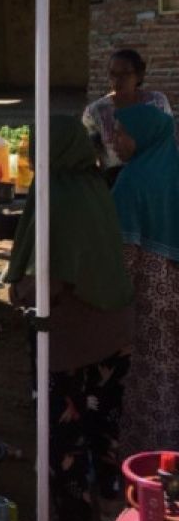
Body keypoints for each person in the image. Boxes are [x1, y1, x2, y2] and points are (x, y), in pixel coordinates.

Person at [0, 114, 134, 521]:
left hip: (69, 334)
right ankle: (112, 500)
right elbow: (44, 233)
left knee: (64, 427)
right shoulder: (92, 185)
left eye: (35, 148)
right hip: (113, 328)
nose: (29, 156)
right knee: (103, 420)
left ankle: (76, 513)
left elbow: (54, 271)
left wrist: (22, 294)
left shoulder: (54, 193)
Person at [108, 103, 179, 460]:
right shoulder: (173, 169)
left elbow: (124, 256)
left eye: (121, 133)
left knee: (152, 377)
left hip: (152, 290)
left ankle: (156, 461)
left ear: (143, 136)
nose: (114, 140)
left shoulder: (133, 179)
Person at [81, 49, 174, 185]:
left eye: (125, 74)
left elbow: (167, 141)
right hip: (115, 181)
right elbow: (90, 152)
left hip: (155, 179)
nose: (117, 80)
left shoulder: (156, 103)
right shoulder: (97, 111)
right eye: (113, 74)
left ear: (139, 75)